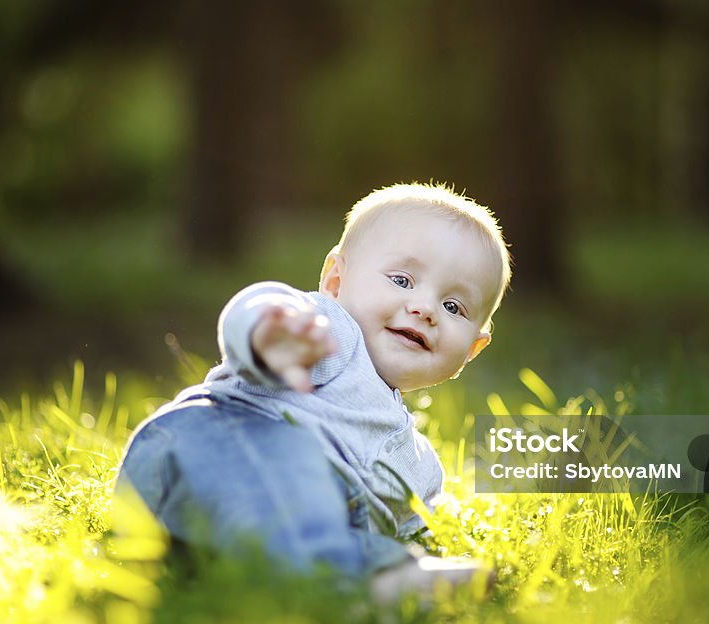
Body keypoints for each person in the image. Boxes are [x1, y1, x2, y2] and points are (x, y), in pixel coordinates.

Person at [116, 182, 511, 597]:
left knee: (338, 528)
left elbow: (403, 526)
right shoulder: (331, 333)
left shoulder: (422, 468)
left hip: (244, 525)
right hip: (205, 447)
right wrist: (271, 334)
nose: (424, 308)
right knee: (290, 464)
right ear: (336, 282)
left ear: (472, 349)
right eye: (402, 279)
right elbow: (266, 304)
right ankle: (365, 582)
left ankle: (371, 582)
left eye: (453, 307)